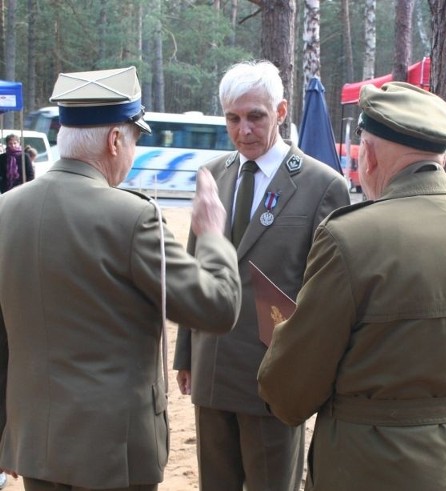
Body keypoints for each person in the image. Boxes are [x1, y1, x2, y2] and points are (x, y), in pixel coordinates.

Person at [257, 81, 446, 491]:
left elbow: (290, 390)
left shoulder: (350, 239)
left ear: (369, 154)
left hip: (372, 467)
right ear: (440, 155)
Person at [0, 66, 242, 491]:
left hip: (35, 443)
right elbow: (217, 307)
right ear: (115, 140)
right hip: (114, 454)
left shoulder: (6, 210)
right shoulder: (132, 217)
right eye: (134, 139)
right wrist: (212, 237)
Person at [172, 60, 350, 491]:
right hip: (212, 366)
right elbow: (198, 267)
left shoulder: (321, 185)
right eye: (233, 118)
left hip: (273, 374)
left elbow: (327, 291)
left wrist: (310, 372)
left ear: (282, 112)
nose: (243, 130)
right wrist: (185, 355)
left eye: (256, 116)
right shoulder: (213, 175)